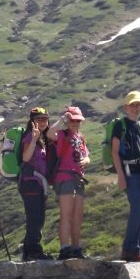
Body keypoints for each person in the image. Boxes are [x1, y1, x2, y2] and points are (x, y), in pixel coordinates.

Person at [47, 106, 90, 259]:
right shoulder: (62, 134)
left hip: (78, 180)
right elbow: (50, 133)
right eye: (72, 120)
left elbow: (87, 156)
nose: (75, 123)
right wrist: (61, 119)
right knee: (66, 214)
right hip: (64, 178)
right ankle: (65, 248)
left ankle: (76, 248)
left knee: (77, 215)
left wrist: (87, 160)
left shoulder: (81, 138)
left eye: (78, 120)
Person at [111, 91, 140, 262]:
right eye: (132, 105)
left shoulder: (139, 126)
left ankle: (136, 249)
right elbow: (114, 151)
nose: (135, 108)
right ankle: (130, 249)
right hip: (129, 172)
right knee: (137, 209)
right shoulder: (121, 125)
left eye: (138, 105)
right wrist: (120, 175)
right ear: (126, 107)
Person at [18, 106, 53, 261]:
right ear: (32, 121)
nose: (43, 122)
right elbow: (26, 158)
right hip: (30, 182)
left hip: (38, 184)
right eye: (39, 119)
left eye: (45, 119)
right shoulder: (29, 137)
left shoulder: (43, 139)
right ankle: (33, 251)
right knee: (35, 218)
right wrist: (33, 138)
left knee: (38, 217)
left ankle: (29, 251)